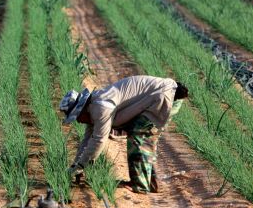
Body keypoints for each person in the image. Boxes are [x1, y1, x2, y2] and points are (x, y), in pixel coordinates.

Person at [59, 75, 189, 193]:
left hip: (164, 96)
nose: (78, 121)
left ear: (80, 110)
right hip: (162, 94)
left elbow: (99, 140)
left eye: (76, 117)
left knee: (138, 135)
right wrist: (76, 165)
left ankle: (140, 185)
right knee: (142, 136)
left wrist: (81, 166)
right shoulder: (92, 107)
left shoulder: (101, 107)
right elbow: (87, 141)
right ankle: (149, 182)